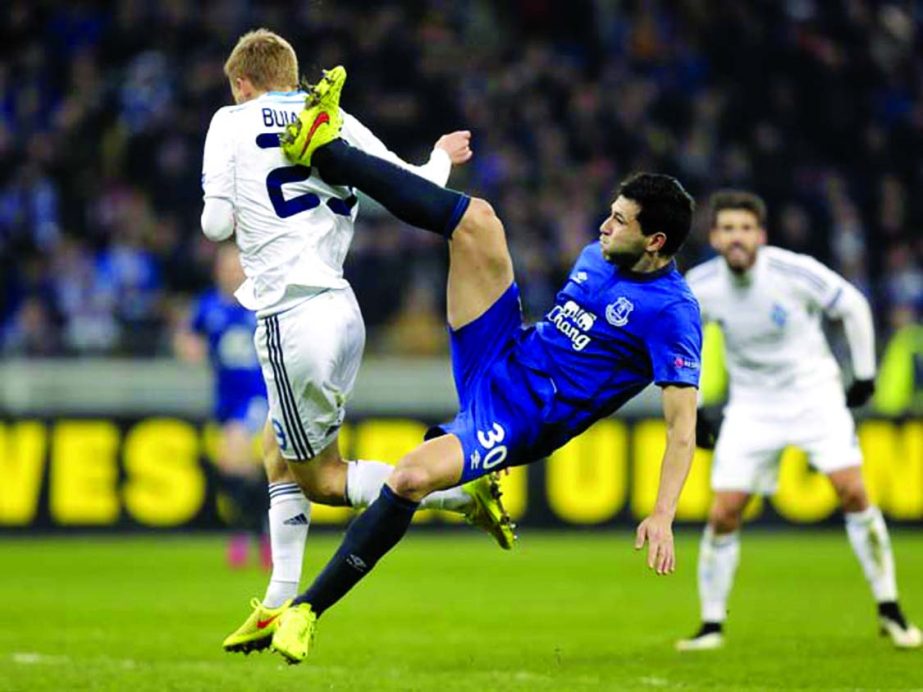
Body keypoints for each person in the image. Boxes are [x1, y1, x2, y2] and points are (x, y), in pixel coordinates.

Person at [266, 67, 703, 664]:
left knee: (411, 478)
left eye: (621, 221)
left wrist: (662, 513)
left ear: (655, 242)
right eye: (610, 212)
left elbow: (682, 428)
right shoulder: (600, 254)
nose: (605, 225)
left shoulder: (674, 314)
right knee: (478, 220)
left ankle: (306, 611)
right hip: (503, 351)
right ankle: (328, 151)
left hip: (521, 415)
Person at [201, 30, 515, 655]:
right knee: (275, 449)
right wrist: (441, 156)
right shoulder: (332, 116)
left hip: (290, 316)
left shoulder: (228, 121)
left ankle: (456, 492)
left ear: (241, 82)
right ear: (291, 74)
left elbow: (216, 225)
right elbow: (410, 178)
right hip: (343, 311)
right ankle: (274, 601)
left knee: (318, 479)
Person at [677, 190, 921, 651]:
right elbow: (680, 339)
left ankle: (890, 608)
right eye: (727, 229)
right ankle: (711, 624)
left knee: (853, 491)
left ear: (761, 235)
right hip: (751, 404)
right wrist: (697, 404)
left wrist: (865, 376)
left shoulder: (792, 271)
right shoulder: (701, 284)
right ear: (714, 236)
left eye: (745, 229)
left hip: (814, 395)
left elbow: (852, 305)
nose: (737, 238)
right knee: (724, 511)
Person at [174, 243, 270, 569]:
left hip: (258, 397)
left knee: (234, 455)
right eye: (226, 266)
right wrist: (189, 346)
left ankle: (246, 536)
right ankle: (261, 529)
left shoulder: (261, 301)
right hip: (226, 399)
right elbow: (187, 335)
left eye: (237, 266)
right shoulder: (208, 306)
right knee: (242, 469)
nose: (232, 272)